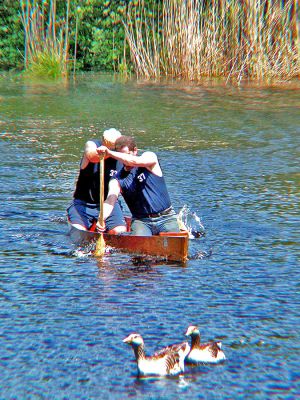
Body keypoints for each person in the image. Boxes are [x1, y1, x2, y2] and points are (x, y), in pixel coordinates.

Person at [96, 135, 180, 236]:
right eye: (121, 155)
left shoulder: (150, 158)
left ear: (135, 150)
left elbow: (134, 161)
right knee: (140, 245)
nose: (124, 159)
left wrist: (109, 152)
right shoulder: (116, 180)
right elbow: (110, 201)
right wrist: (101, 218)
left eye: (127, 154)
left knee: (173, 244)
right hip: (141, 221)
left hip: (166, 217)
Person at [67, 128, 126, 233]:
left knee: (120, 231)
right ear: (103, 140)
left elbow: (114, 193)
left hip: (108, 203)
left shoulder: (121, 156)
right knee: (79, 232)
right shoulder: (92, 145)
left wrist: (102, 217)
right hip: (83, 203)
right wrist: (108, 152)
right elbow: (92, 156)